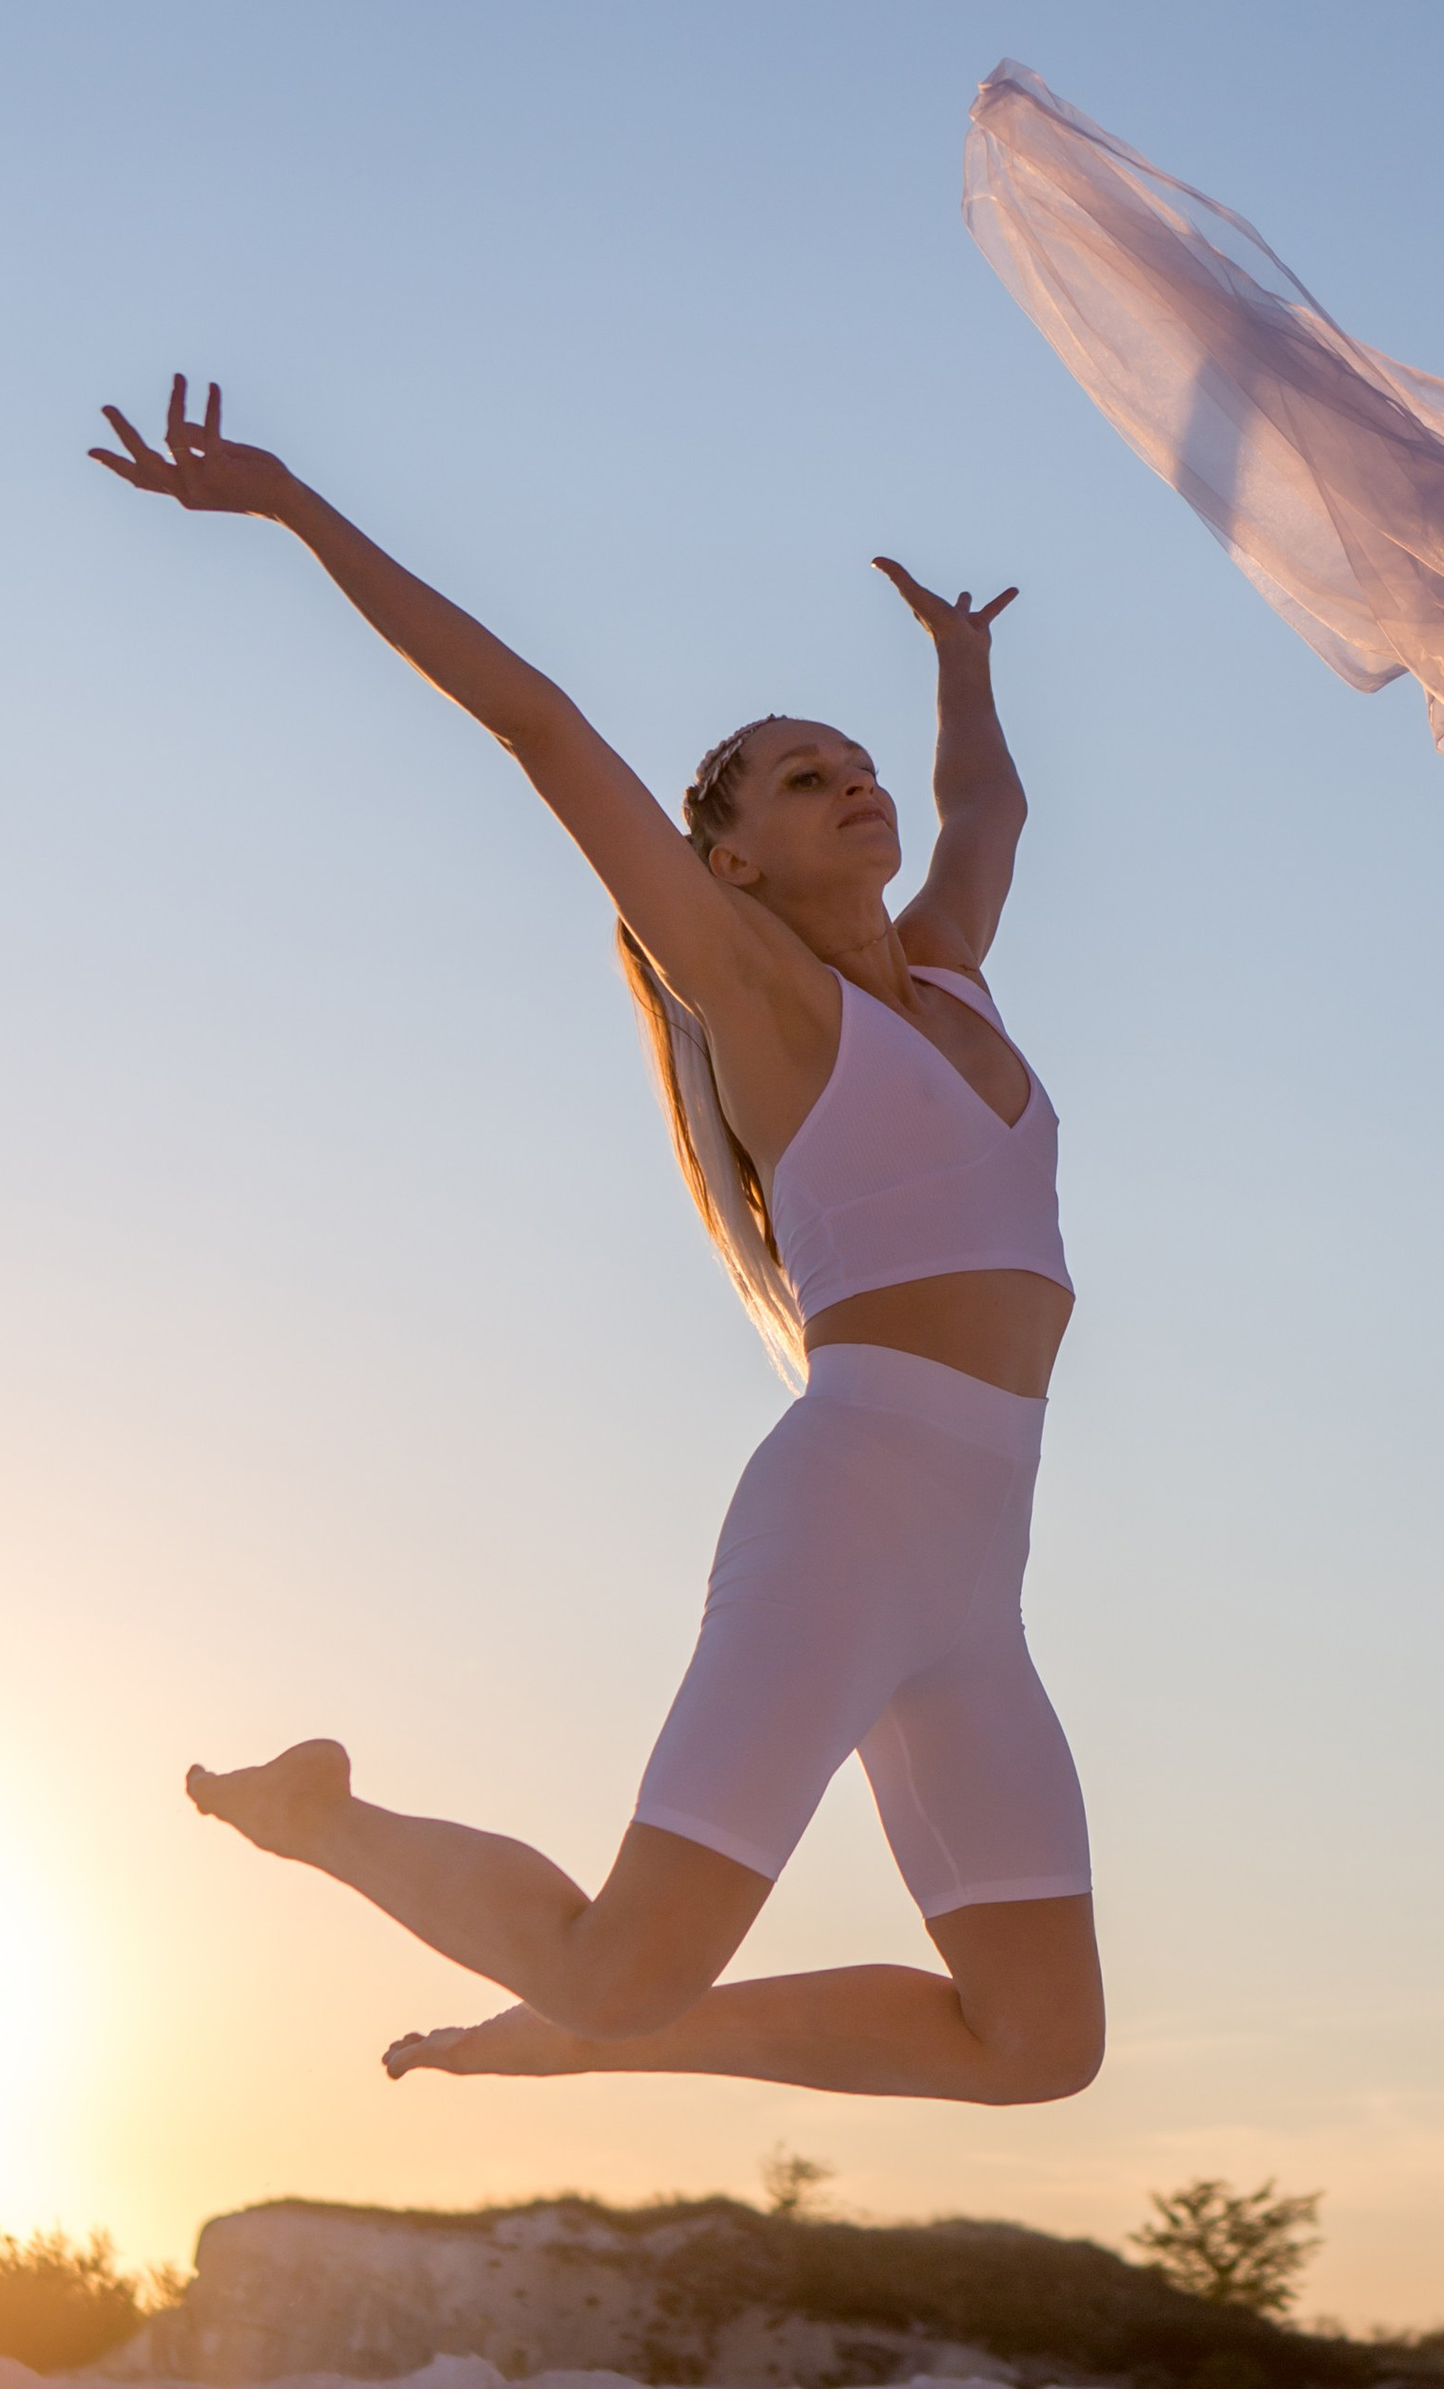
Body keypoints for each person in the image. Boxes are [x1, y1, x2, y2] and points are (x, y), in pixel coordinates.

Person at [91, 378, 1100, 2105]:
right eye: (805, 779)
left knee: (1038, 2047)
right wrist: (295, 508)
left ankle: (612, 2033)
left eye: (857, 771)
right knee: (618, 1974)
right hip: (850, 1518)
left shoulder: (946, 971)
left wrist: (960, 664)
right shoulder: (765, 1002)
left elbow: (988, 812)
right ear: (730, 859)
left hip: (978, 1567)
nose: (855, 789)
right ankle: (325, 1819)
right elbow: (542, 726)